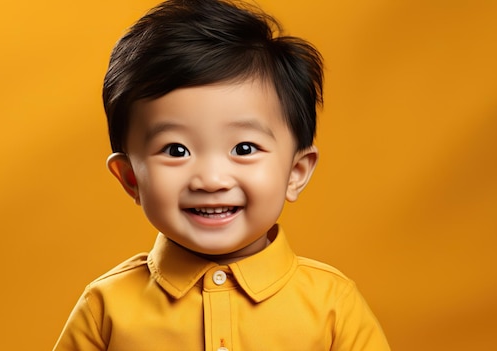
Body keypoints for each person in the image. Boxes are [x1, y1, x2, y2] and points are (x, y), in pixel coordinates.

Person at [53, 0, 390, 350]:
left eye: (244, 148)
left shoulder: (333, 305)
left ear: (296, 172)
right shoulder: (105, 309)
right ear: (130, 178)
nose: (211, 180)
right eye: (176, 150)